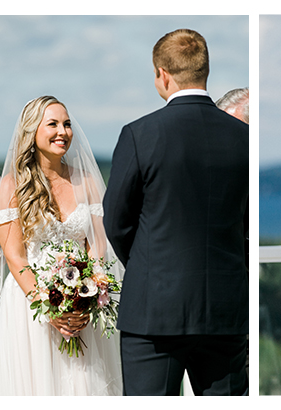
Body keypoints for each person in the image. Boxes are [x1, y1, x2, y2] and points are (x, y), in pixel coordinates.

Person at [104, 28, 249, 396]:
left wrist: (147, 263)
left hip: (153, 311)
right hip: (225, 310)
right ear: (205, 71)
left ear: (162, 75)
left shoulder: (140, 134)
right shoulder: (244, 137)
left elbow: (117, 219)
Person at [0, 96, 123, 395]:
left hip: (83, 305)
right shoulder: (12, 185)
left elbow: (97, 247)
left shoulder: (86, 181)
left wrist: (87, 298)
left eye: (67, 124)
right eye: (53, 124)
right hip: (31, 307)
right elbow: (15, 257)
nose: (63, 131)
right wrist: (50, 308)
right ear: (32, 131)